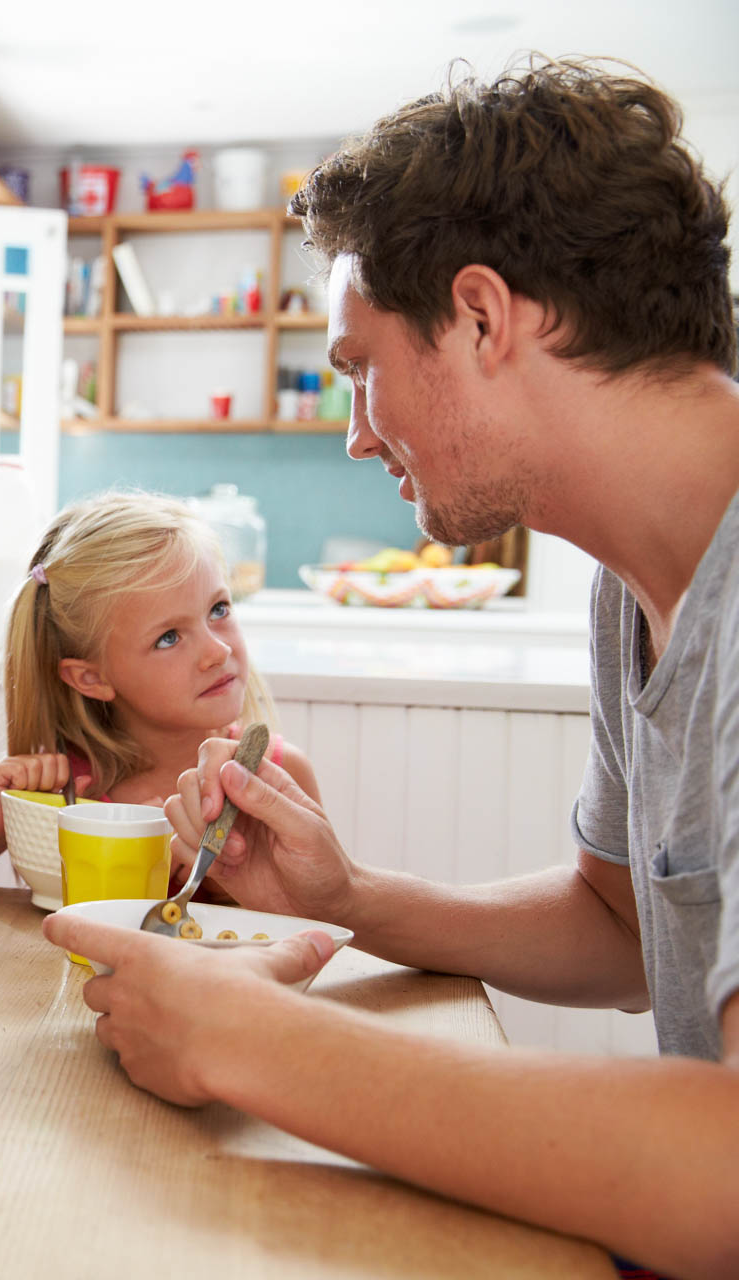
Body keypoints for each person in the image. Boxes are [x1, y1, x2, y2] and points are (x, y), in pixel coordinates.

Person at [42, 58, 739, 1278]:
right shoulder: (633, 590)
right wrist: (350, 898)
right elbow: (625, 926)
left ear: (482, 315)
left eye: (361, 366)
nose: (358, 429)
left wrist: (256, 1041)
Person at [0, 491, 319, 885]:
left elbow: (324, 913)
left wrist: (224, 885)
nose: (217, 650)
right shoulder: (64, 791)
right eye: (168, 637)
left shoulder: (276, 776)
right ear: (92, 679)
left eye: (218, 608)